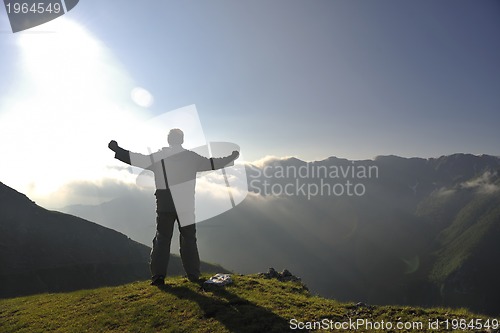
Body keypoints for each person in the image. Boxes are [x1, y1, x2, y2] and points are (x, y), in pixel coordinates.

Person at [108, 129, 239, 286]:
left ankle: (158, 277)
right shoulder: (191, 157)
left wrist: (117, 150)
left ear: (169, 140)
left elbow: (136, 159)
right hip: (186, 205)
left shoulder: (159, 157)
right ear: (181, 140)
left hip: (164, 205)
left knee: (162, 240)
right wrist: (232, 157)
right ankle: (193, 275)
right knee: (189, 239)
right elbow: (213, 163)